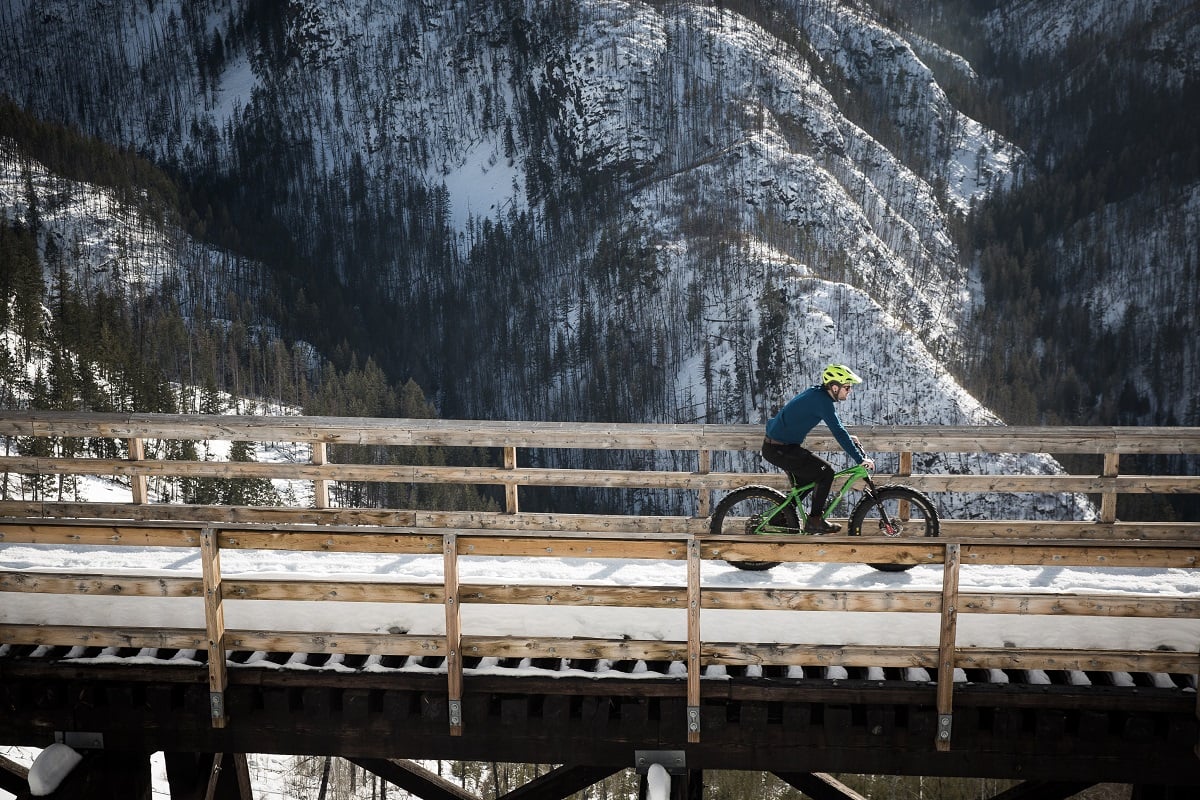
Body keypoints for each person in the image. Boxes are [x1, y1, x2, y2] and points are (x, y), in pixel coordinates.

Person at [762, 364, 876, 533]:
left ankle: (780, 518)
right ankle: (815, 521)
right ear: (835, 387)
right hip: (780, 449)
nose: (849, 390)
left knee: (807, 482)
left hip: (779, 447)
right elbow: (838, 430)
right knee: (826, 473)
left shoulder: (817, 394)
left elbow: (837, 427)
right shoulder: (822, 401)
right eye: (847, 387)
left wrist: (848, 438)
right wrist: (859, 460)